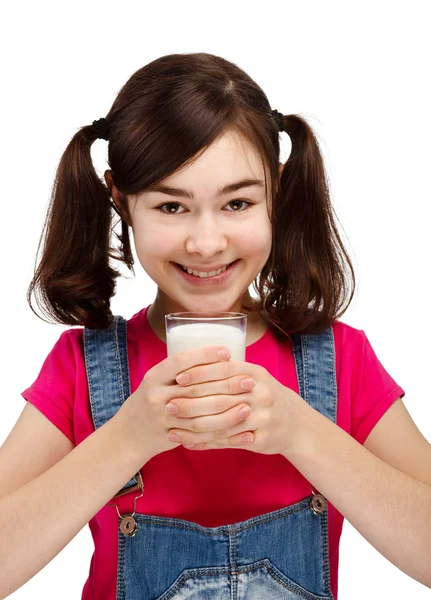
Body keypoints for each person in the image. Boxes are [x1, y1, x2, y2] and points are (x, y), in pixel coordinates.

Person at [1, 52, 430, 600]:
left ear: (275, 190)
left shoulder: (339, 361)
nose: (206, 243)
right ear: (121, 200)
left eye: (237, 203)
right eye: (172, 207)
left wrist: (302, 431)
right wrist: (127, 438)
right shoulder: (82, 371)